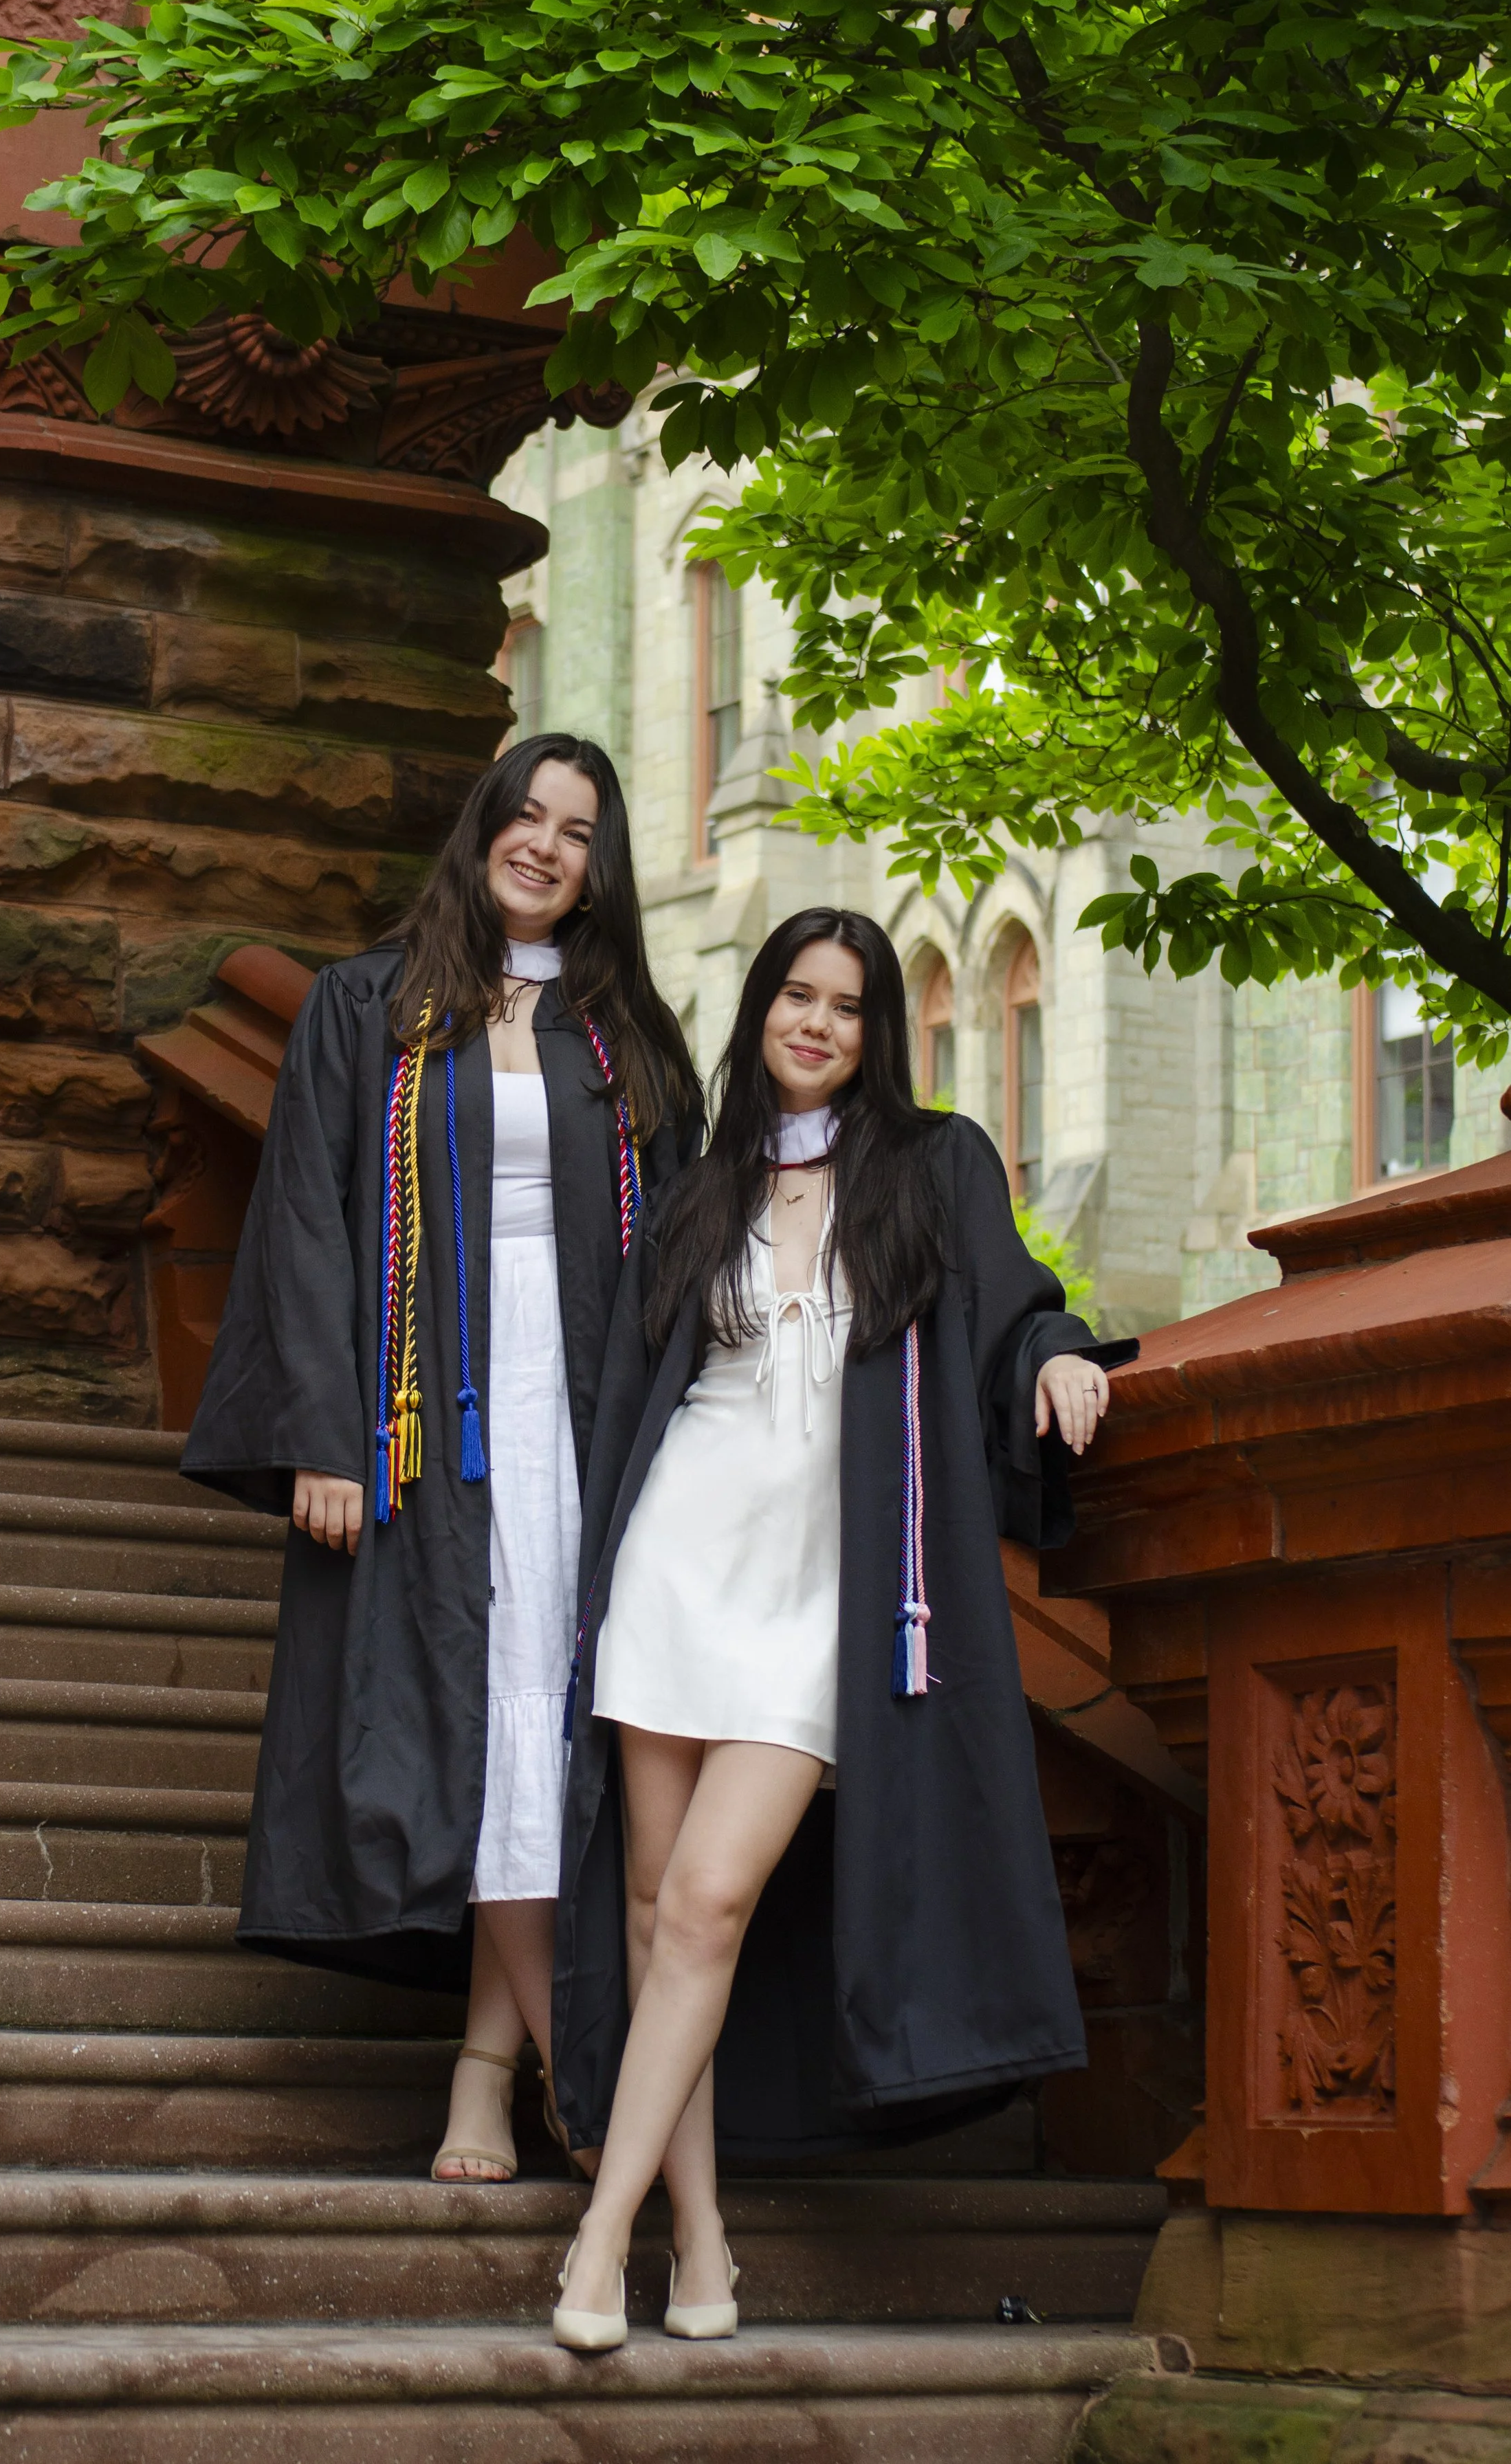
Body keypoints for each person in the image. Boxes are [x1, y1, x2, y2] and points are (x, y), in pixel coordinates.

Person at [547, 907, 1135, 2349]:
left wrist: (1056, 1357)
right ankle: (697, 2244)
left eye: (848, 1004)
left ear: (876, 1032)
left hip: (822, 1590)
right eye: (794, 996)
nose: (816, 1022)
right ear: (759, 1012)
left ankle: (595, 2235)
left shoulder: (933, 1164)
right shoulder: (703, 1187)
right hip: (680, 1557)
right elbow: (637, 1389)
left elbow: (1009, 1304)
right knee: (644, 1912)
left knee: (704, 1904)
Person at [182, 734, 700, 2188]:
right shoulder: (367, 1006)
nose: (545, 844)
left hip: (583, 1424)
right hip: (423, 1426)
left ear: (602, 868)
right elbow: (304, 1219)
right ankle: (578, 2087)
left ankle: (488, 2072)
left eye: (578, 830)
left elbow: (687, 1247)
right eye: (525, 815)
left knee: (545, 1740)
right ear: (481, 827)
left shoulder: (629, 1039)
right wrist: (322, 1436)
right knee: (470, 1732)